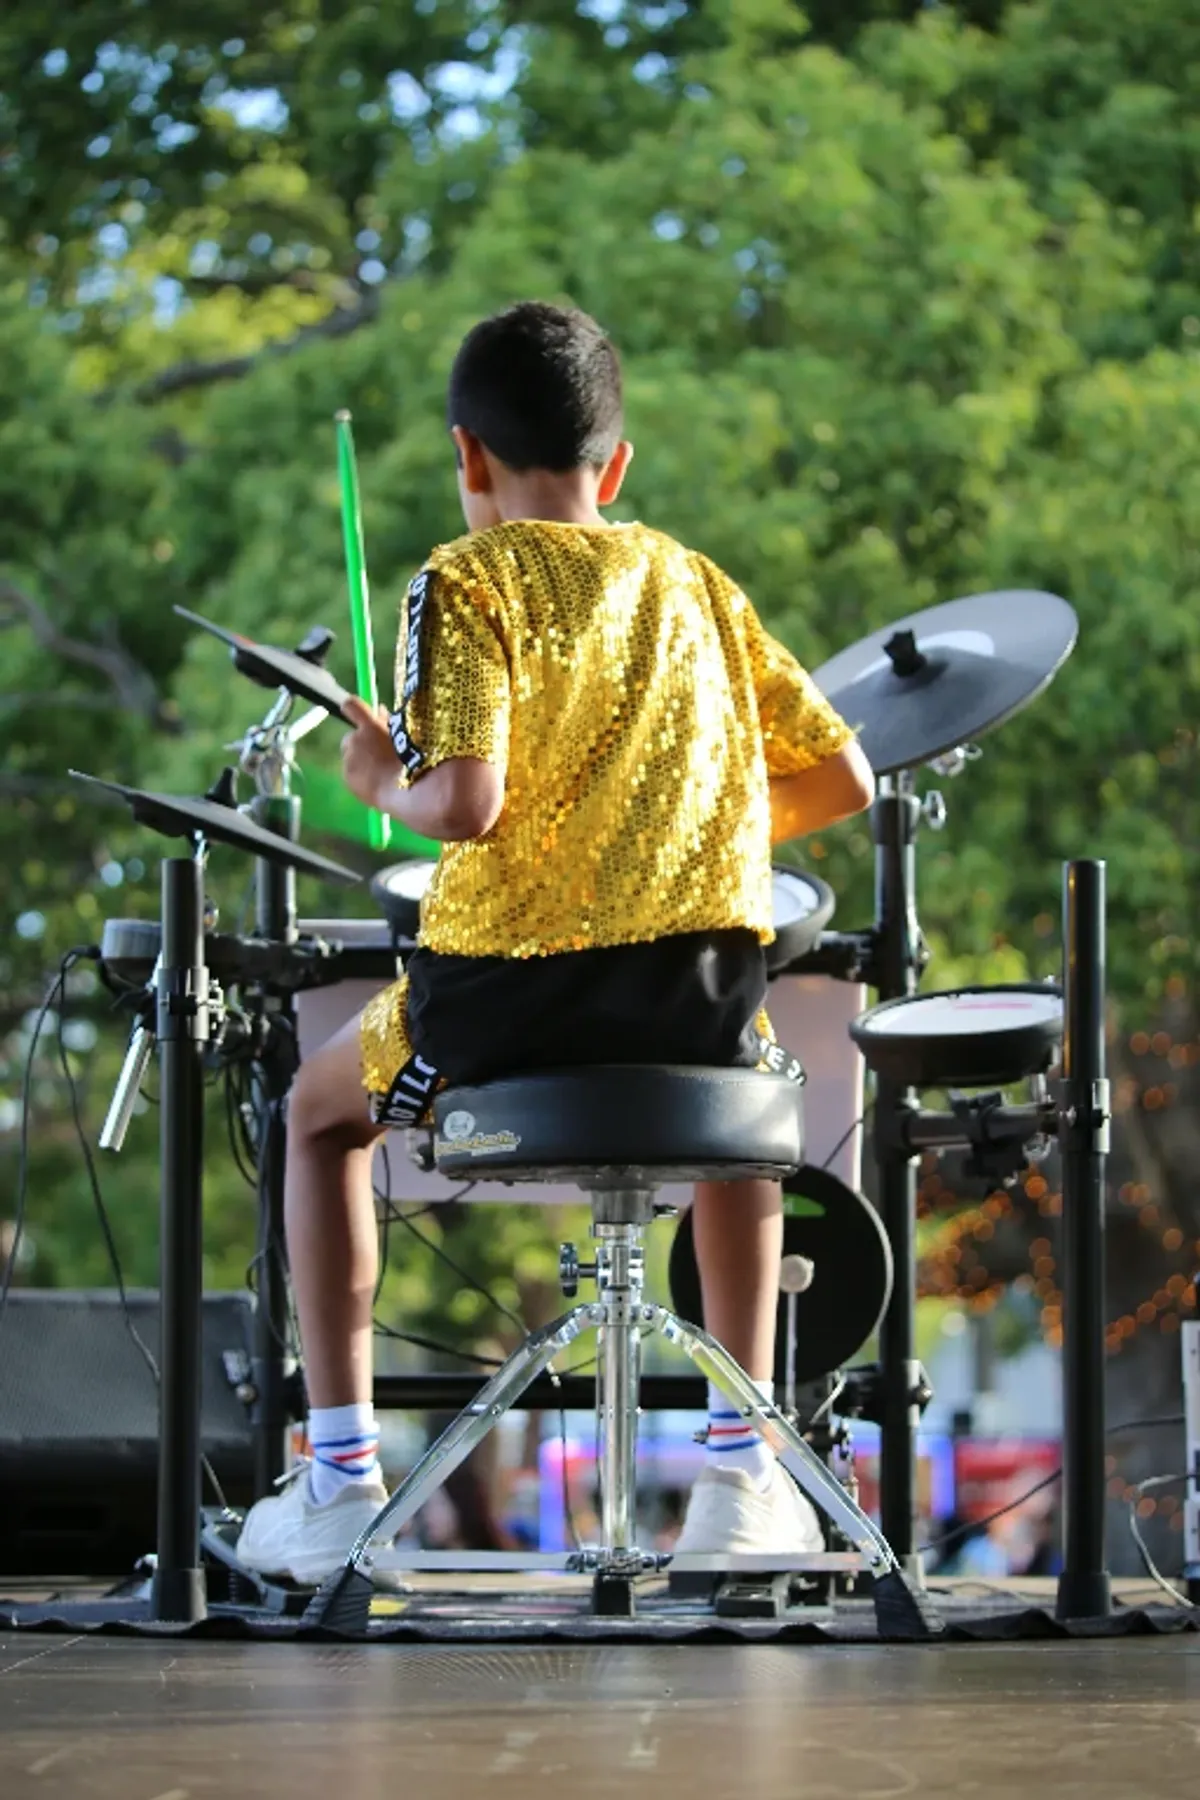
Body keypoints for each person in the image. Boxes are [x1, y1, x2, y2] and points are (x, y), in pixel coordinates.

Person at [236, 301, 874, 1585]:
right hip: (692, 996)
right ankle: (744, 1479)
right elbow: (844, 776)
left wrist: (380, 779)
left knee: (314, 1114)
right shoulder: (696, 583)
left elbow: (464, 802)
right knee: (747, 1083)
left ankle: (341, 1481)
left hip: (505, 1005)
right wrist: (679, 821)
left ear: (467, 455)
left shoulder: (463, 580)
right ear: (615, 465)